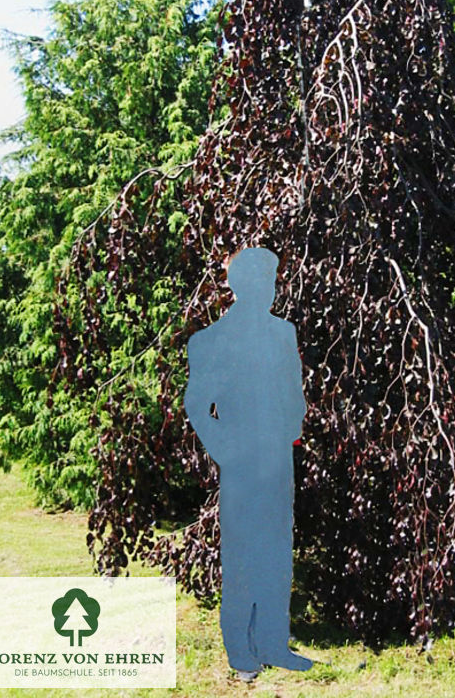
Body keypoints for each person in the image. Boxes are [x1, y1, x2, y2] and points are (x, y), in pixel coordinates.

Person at [184, 247, 311, 674]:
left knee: (277, 550)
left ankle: (274, 645)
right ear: (239, 286)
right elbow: (198, 406)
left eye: (272, 281)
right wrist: (226, 450)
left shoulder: (283, 333)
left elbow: (294, 392)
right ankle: (241, 652)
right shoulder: (211, 341)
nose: (270, 289)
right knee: (240, 554)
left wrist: (290, 428)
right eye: (261, 281)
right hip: (239, 462)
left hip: (277, 458)